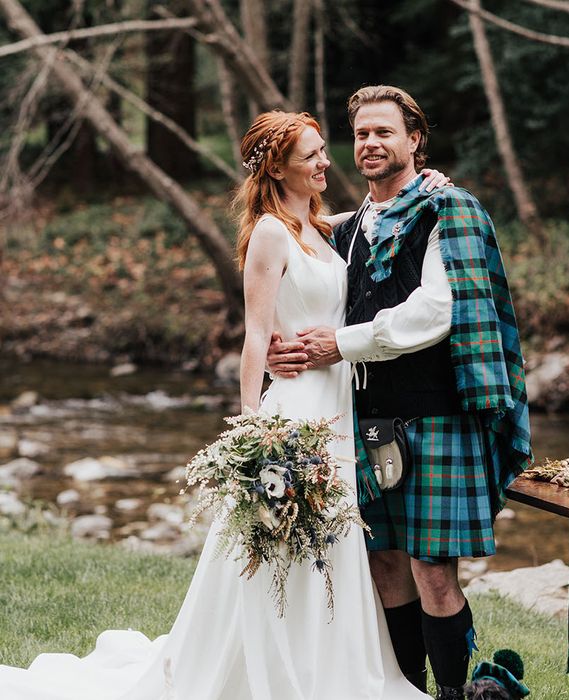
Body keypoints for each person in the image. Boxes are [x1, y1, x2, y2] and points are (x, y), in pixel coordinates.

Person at [0, 111, 449, 700]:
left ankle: (327, 668)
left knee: (332, 545)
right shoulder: (268, 232)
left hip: (337, 405)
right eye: (312, 155)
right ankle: (269, 675)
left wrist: (423, 185)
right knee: (281, 546)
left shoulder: (316, 226)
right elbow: (255, 336)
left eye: (321, 151)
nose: (325, 162)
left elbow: (372, 216)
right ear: (278, 168)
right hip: (296, 413)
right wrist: (254, 432)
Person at [267, 86, 532, 700]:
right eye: (360, 134)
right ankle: (407, 691)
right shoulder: (348, 227)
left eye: (384, 132)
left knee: (433, 571)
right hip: (364, 419)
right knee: (384, 567)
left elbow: (437, 310)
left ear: (415, 140)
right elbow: (286, 262)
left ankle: (452, 694)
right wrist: (279, 348)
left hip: (438, 415)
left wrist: (342, 343)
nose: (370, 144)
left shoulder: (449, 209)